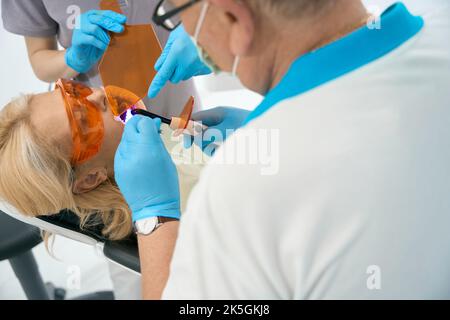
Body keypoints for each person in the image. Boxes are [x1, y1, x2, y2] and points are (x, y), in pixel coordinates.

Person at [114, 0, 450, 299]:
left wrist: (154, 216)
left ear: (234, 18)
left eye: (175, 16)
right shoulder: (440, 26)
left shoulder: (238, 189)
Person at [0, 80, 203, 299]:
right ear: (91, 178)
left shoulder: (169, 141)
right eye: (85, 119)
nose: (99, 95)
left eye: (75, 90)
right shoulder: (171, 213)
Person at [1, 0, 199, 117]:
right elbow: (39, 59)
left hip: (180, 107)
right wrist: (72, 59)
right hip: (101, 129)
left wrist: (200, 42)